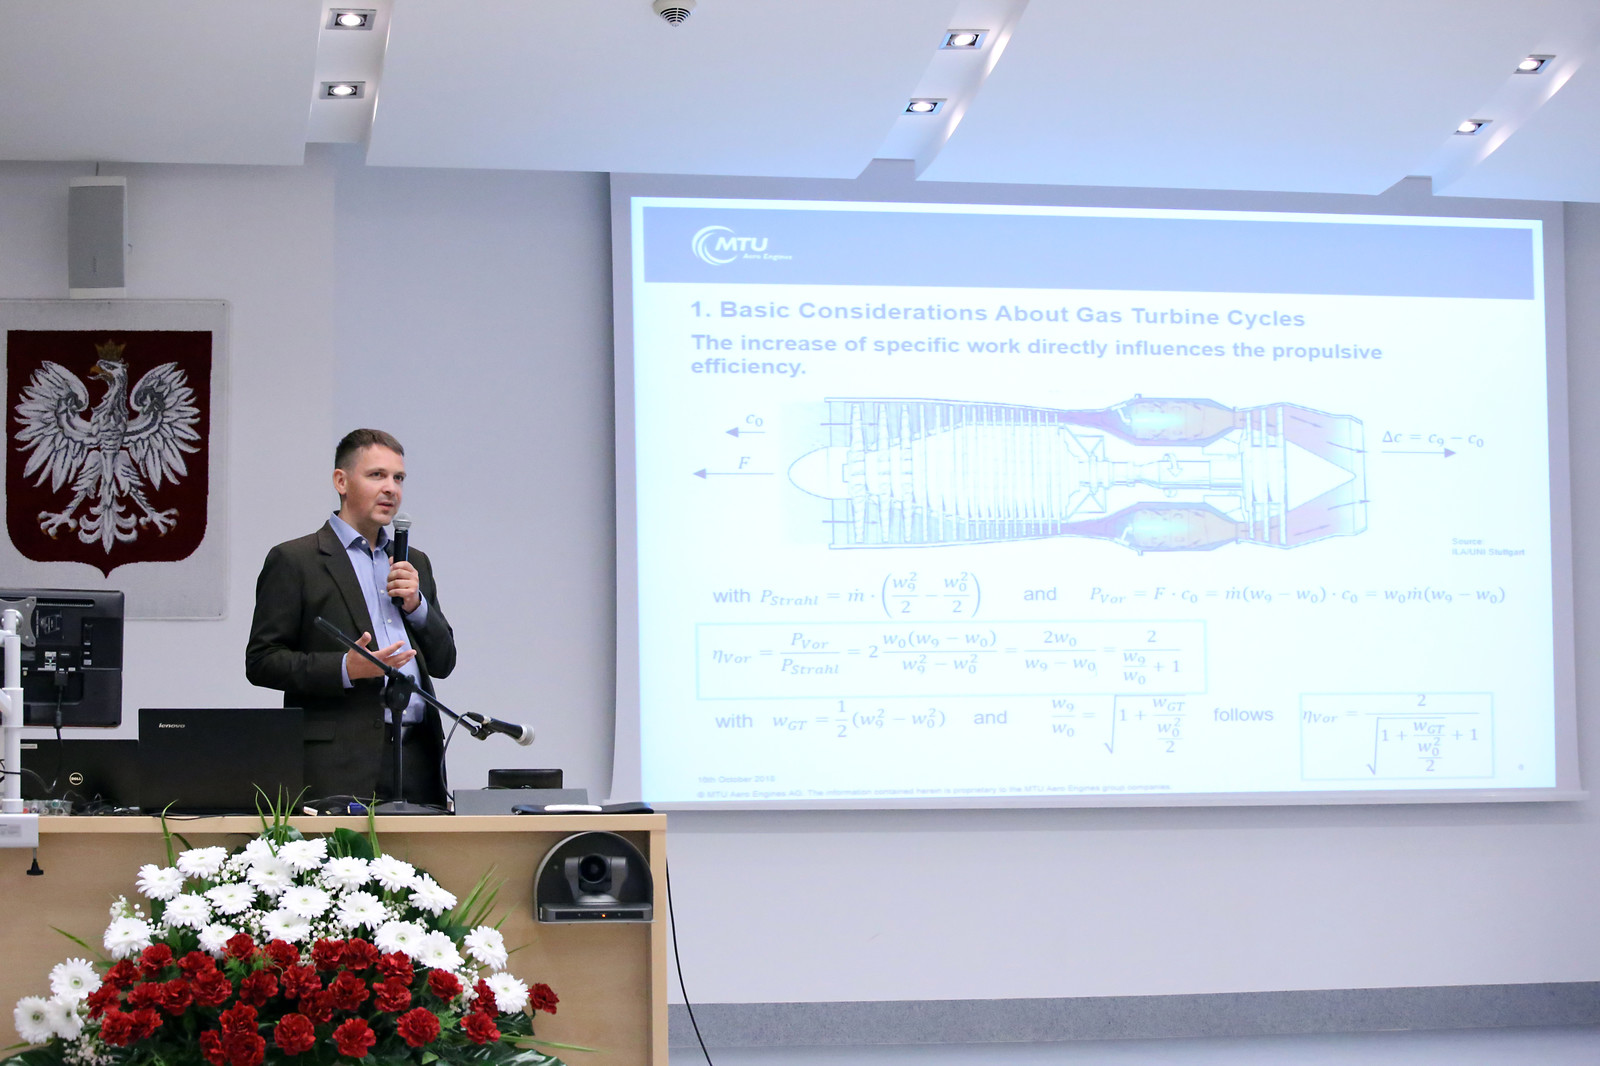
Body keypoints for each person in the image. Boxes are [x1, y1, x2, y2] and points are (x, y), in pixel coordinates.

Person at [245, 429, 456, 807]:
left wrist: (417, 606)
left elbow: (444, 662)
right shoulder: (296, 560)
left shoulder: (413, 562)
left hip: (417, 760)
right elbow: (262, 661)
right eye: (377, 475)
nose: (391, 488)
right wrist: (345, 668)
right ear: (341, 482)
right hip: (337, 765)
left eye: (399, 478)